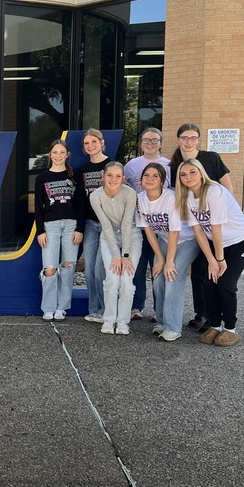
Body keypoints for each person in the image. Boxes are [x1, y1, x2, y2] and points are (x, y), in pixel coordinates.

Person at [177, 158, 244, 347]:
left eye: (192, 172)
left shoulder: (215, 192)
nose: (188, 177)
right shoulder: (187, 197)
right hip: (215, 242)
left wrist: (218, 259)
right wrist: (211, 259)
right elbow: (199, 232)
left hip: (239, 241)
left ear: (201, 172)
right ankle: (215, 325)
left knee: (225, 284)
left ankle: (230, 328)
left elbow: (216, 228)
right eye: (183, 174)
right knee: (209, 283)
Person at [169, 123, 233, 332]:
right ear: (178, 139)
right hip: (194, 225)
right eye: (184, 137)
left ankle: (217, 319)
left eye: (193, 137)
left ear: (198, 140)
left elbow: (228, 186)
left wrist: (229, 212)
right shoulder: (175, 163)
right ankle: (202, 314)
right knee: (198, 272)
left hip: (216, 224)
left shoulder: (211, 158)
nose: (188, 141)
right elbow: (177, 193)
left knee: (214, 271)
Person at [135, 162, 200, 342]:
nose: (150, 179)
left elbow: (175, 231)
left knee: (172, 276)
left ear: (162, 181)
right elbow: (148, 230)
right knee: (158, 277)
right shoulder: (139, 199)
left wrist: (168, 261)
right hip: (163, 240)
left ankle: (173, 327)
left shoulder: (171, 198)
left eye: (155, 176)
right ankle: (162, 322)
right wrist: (159, 259)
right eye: (146, 175)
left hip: (187, 240)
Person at [123, 128, 172, 321]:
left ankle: (160, 310)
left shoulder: (169, 165)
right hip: (138, 221)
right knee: (139, 265)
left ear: (160, 143)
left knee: (158, 266)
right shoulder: (132, 165)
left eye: (154, 140)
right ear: (141, 143)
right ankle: (136, 307)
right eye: (146, 140)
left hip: (162, 224)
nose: (150, 143)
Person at [33, 139, 84, 321]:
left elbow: (80, 204)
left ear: (67, 155)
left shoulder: (74, 176)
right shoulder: (42, 178)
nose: (58, 156)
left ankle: (62, 307)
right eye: (55, 152)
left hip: (71, 225)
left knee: (68, 266)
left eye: (62, 152)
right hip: (50, 226)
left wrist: (79, 228)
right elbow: (38, 207)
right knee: (49, 268)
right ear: (50, 154)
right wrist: (41, 231)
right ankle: (48, 307)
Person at [89, 161, 140, 335]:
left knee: (126, 279)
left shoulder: (130, 193)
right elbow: (106, 225)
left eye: (118, 176)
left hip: (131, 237)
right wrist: (115, 254)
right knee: (111, 279)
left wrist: (124, 255)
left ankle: (123, 321)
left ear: (123, 178)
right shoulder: (95, 196)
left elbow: (127, 223)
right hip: (109, 237)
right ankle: (109, 319)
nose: (113, 179)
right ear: (103, 176)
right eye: (110, 175)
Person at [79, 129, 113, 324]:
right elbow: (82, 201)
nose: (90, 145)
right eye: (86, 143)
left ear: (102, 143)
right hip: (91, 224)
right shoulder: (83, 170)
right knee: (90, 269)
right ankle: (94, 310)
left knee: (101, 268)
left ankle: (106, 309)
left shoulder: (112, 165)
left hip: (108, 223)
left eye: (93, 141)